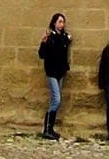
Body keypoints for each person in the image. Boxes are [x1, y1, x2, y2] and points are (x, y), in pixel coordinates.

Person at [37, 11, 71, 140]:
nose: (61, 24)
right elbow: (42, 54)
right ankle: (47, 128)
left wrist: (67, 39)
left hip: (60, 72)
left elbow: (64, 48)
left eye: (63, 22)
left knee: (54, 100)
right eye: (59, 22)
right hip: (51, 72)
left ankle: (50, 129)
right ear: (54, 23)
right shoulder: (50, 37)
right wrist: (44, 42)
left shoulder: (63, 37)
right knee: (57, 100)